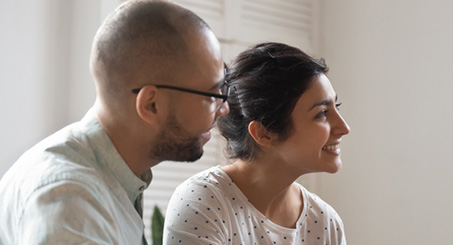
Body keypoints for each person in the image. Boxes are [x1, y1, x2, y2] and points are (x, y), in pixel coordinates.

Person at [0, 0, 229, 244]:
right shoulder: (72, 203)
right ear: (151, 105)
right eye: (212, 95)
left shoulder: (114, 179)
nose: (224, 108)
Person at [163, 42, 350, 245]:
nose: (344, 127)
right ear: (264, 133)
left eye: (336, 106)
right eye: (322, 113)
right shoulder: (202, 203)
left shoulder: (325, 222)